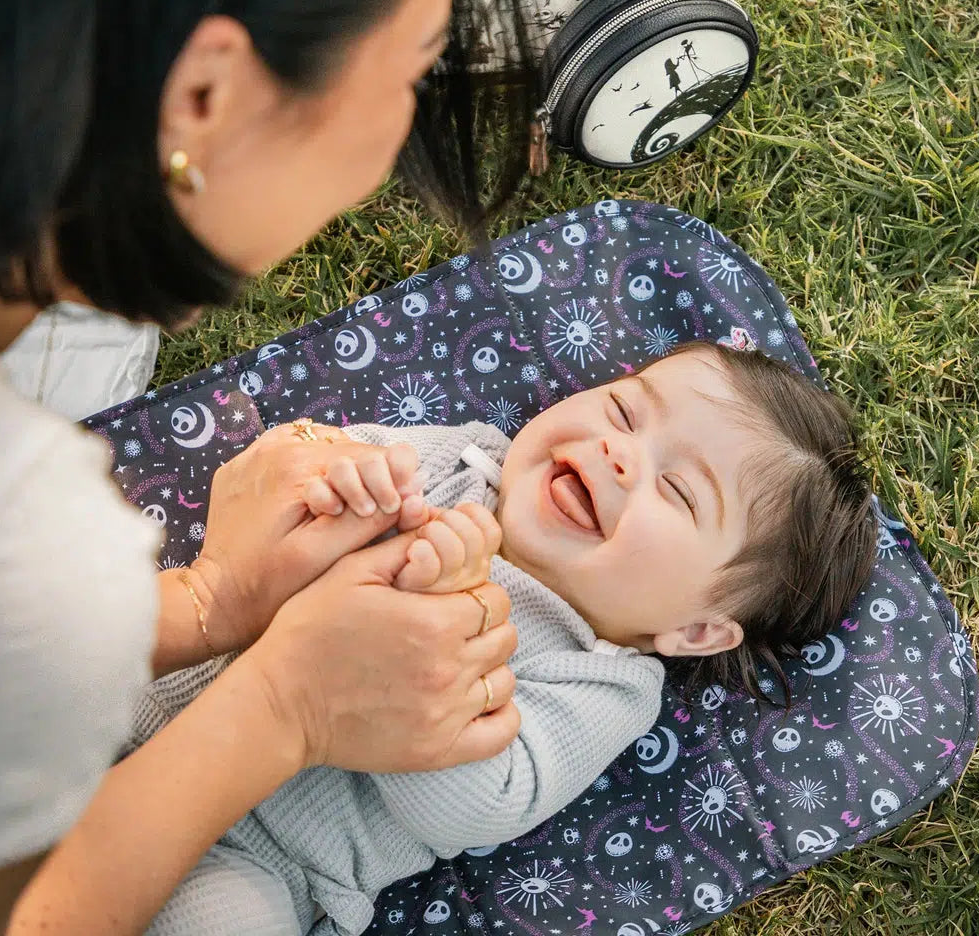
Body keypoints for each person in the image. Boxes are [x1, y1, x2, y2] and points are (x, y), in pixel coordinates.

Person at [0, 0, 554, 930]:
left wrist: (206, 604)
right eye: (412, 68)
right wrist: (286, 706)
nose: (404, 136)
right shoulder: (29, 542)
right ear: (206, 96)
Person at [133, 342, 877, 934]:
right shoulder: (461, 462)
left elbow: (488, 803)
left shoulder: (605, 681)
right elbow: (314, 487)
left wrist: (432, 628)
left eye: (677, 491)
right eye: (623, 410)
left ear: (694, 630)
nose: (620, 453)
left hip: (257, 855)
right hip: (152, 686)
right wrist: (339, 483)